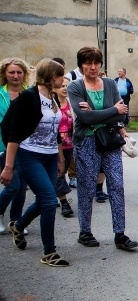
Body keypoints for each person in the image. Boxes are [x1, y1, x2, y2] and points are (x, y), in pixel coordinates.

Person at [67, 47, 138, 251]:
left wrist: (98, 114)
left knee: (117, 185)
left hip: (110, 140)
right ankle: (85, 232)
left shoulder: (109, 83)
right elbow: (84, 117)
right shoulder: (75, 86)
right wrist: (112, 110)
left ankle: (120, 234)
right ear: (81, 65)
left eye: (96, 62)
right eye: (88, 63)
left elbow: (122, 115)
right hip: (86, 141)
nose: (93, 67)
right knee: (87, 187)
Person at [0, 59, 68, 266]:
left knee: (44, 200)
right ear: (52, 77)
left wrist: (60, 157)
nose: (63, 79)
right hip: (29, 156)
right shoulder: (29, 97)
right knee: (49, 200)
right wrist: (9, 166)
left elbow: (54, 131)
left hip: (50, 156)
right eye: (61, 75)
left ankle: (18, 225)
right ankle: (49, 252)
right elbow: (13, 133)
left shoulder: (53, 97)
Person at [0, 57, 30, 235]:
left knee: (22, 187)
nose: (16, 75)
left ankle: (16, 221)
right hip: (3, 146)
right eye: (11, 72)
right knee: (13, 185)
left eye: (19, 72)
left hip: (26, 147)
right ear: (4, 74)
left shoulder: (30, 93)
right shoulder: (0, 94)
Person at [54, 77, 75, 218]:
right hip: (54, 145)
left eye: (67, 86)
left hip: (69, 145)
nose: (65, 88)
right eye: (61, 86)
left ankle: (49, 195)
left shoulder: (71, 103)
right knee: (59, 173)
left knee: (62, 171)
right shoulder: (51, 104)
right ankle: (64, 203)